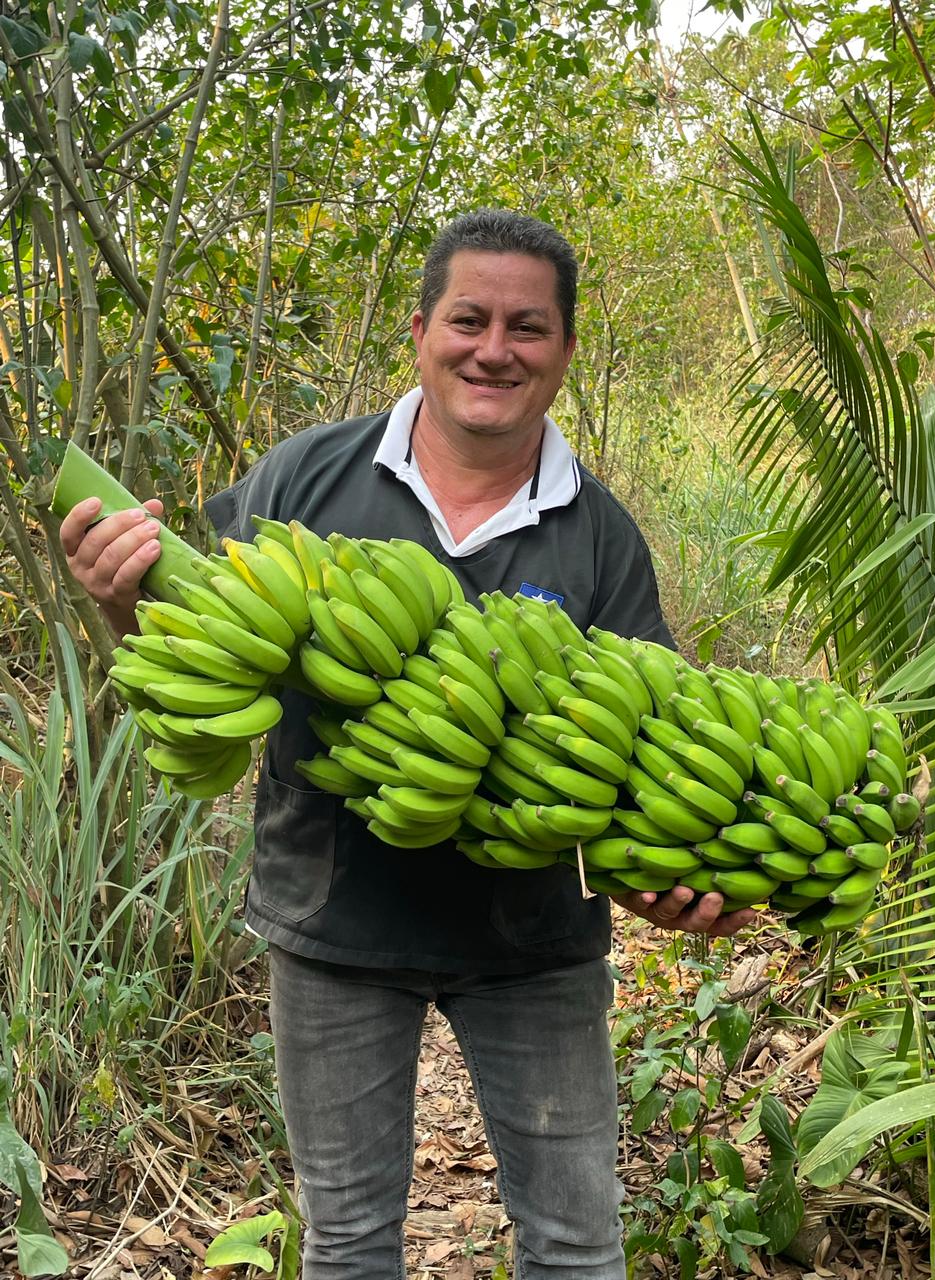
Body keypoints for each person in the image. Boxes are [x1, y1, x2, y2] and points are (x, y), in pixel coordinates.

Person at [61, 210, 754, 1280]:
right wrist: (123, 603)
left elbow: (651, 750)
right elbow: (206, 661)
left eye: (528, 326)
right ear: (420, 328)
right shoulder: (303, 482)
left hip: (533, 943)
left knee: (576, 1241)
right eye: (468, 318)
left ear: (566, 349)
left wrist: (673, 879)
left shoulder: (601, 533)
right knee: (345, 1243)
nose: (494, 348)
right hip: (337, 921)